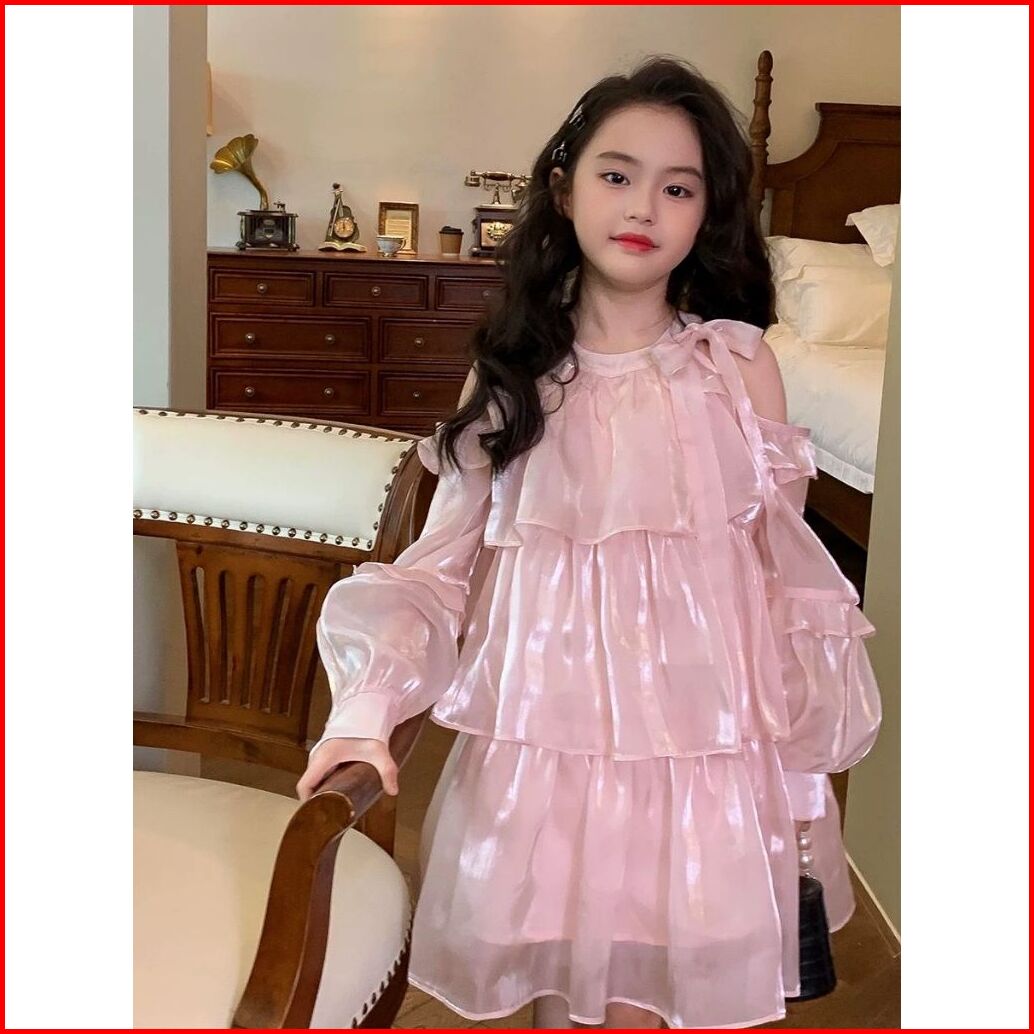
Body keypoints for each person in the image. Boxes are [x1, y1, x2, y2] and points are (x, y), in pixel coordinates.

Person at [296, 55, 882, 1030]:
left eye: (678, 187)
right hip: (545, 753)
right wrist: (365, 705)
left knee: (654, 1000)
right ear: (566, 190)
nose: (643, 205)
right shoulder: (510, 376)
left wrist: (795, 781)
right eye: (617, 174)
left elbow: (779, 586)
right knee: (556, 996)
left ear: (707, 213)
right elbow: (436, 572)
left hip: (696, 759)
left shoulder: (739, 370)